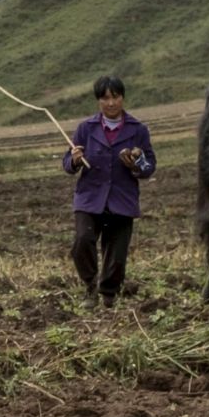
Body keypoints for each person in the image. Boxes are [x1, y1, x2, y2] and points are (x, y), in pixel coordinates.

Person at [62, 74, 155, 307]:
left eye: (115, 97)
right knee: (83, 240)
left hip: (121, 198)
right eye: (105, 98)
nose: (111, 103)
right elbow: (68, 164)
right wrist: (74, 160)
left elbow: (149, 167)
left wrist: (136, 164)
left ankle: (108, 294)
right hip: (90, 197)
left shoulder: (138, 130)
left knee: (117, 254)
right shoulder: (86, 128)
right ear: (98, 101)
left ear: (122, 98)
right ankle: (90, 286)